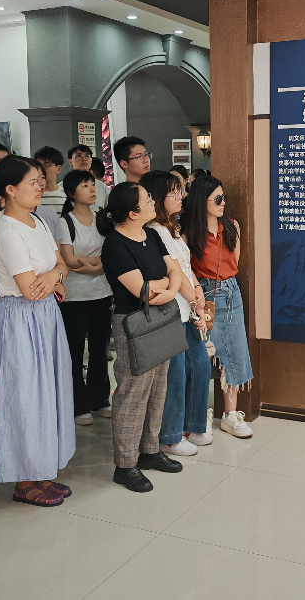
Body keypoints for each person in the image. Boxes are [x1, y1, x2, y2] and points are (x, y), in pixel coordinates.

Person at [0, 156, 75, 506]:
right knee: (24, 396)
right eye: (33, 182)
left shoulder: (37, 221)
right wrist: (54, 279)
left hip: (46, 316)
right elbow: (29, 290)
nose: (41, 186)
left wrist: (53, 276)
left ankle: (41, 471)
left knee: (48, 392)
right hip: (21, 319)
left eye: (41, 180)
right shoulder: (9, 232)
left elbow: (61, 264)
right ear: (9, 190)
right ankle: (24, 482)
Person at [98, 182, 184, 492]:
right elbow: (143, 292)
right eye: (147, 200)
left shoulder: (152, 235)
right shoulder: (115, 245)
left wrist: (168, 289)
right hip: (132, 323)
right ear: (133, 213)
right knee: (132, 393)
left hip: (160, 317)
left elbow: (174, 271)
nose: (152, 202)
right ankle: (125, 465)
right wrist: (165, 286)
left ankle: (149, 451)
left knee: (158, 388)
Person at [143, 171, 212, 456]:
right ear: (158, 198)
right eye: (174, 193)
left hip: (188, 308)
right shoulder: (154, 231)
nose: (180, 197)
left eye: (180, 191)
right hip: (173, 310)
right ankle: (170, 435)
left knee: (200, 365)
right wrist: (194, 298)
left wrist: (198, 293)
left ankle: (193, 425)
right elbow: (174, 272)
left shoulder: (171, 227)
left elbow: (187, 266)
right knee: (176, 374)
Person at [184, 176, 254, 439]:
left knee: (235, 350)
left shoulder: (232, 226)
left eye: (223, 197)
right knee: (203, 354)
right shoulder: (189, 232)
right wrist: (196, 294)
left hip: (231, 291)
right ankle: (200, 413)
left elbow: (235, 262)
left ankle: (230, 415)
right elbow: (184, 267)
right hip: (203, 294)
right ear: (201, 201)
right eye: (217, 199)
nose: (223, 202)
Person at [57, 169, 113, 426]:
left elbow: (111, 252)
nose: (92, 189)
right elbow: (68, 259)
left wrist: (96, 267)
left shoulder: (103, 219)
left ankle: (99, 400)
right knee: (75, 352)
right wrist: (99, 264)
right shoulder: (65, 222)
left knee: (100, 350)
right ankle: (79, 405)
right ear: (71, 193)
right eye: (85, 185)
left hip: (102, 293)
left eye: (92, 184)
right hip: (74, 297)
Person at [67, 144, 110, 211]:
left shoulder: (101, 187)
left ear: (91, 161)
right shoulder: (63, 186)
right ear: (70, 161)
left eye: (87, 156)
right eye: (79, 156)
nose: (84, 159)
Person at [34, 146, 68, 212]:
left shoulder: (67, 195)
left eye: (47, 165)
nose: (42, 169)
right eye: (39, 166)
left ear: (58, 169)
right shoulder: (32, 195)